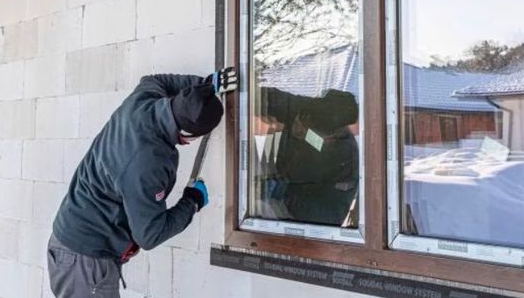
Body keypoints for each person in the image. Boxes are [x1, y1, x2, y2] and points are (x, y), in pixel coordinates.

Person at [47, 69, 237, 297]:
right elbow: (149, 234)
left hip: (76, 246)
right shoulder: (147, 162)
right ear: (186, 134)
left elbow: (154, 79)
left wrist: (203, 85)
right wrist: (192, 203)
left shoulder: (144, 99)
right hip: (86, 259)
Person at [254, 87, 359, 226]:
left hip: (307, 217)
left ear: (333, 135)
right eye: (301, 119)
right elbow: (275, 100)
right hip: (280, 181)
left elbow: (325, 214)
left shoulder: (342, 155)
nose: (297, 125)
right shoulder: (309, 108)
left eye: (306, 128)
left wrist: (282, 192)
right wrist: (250, 96)